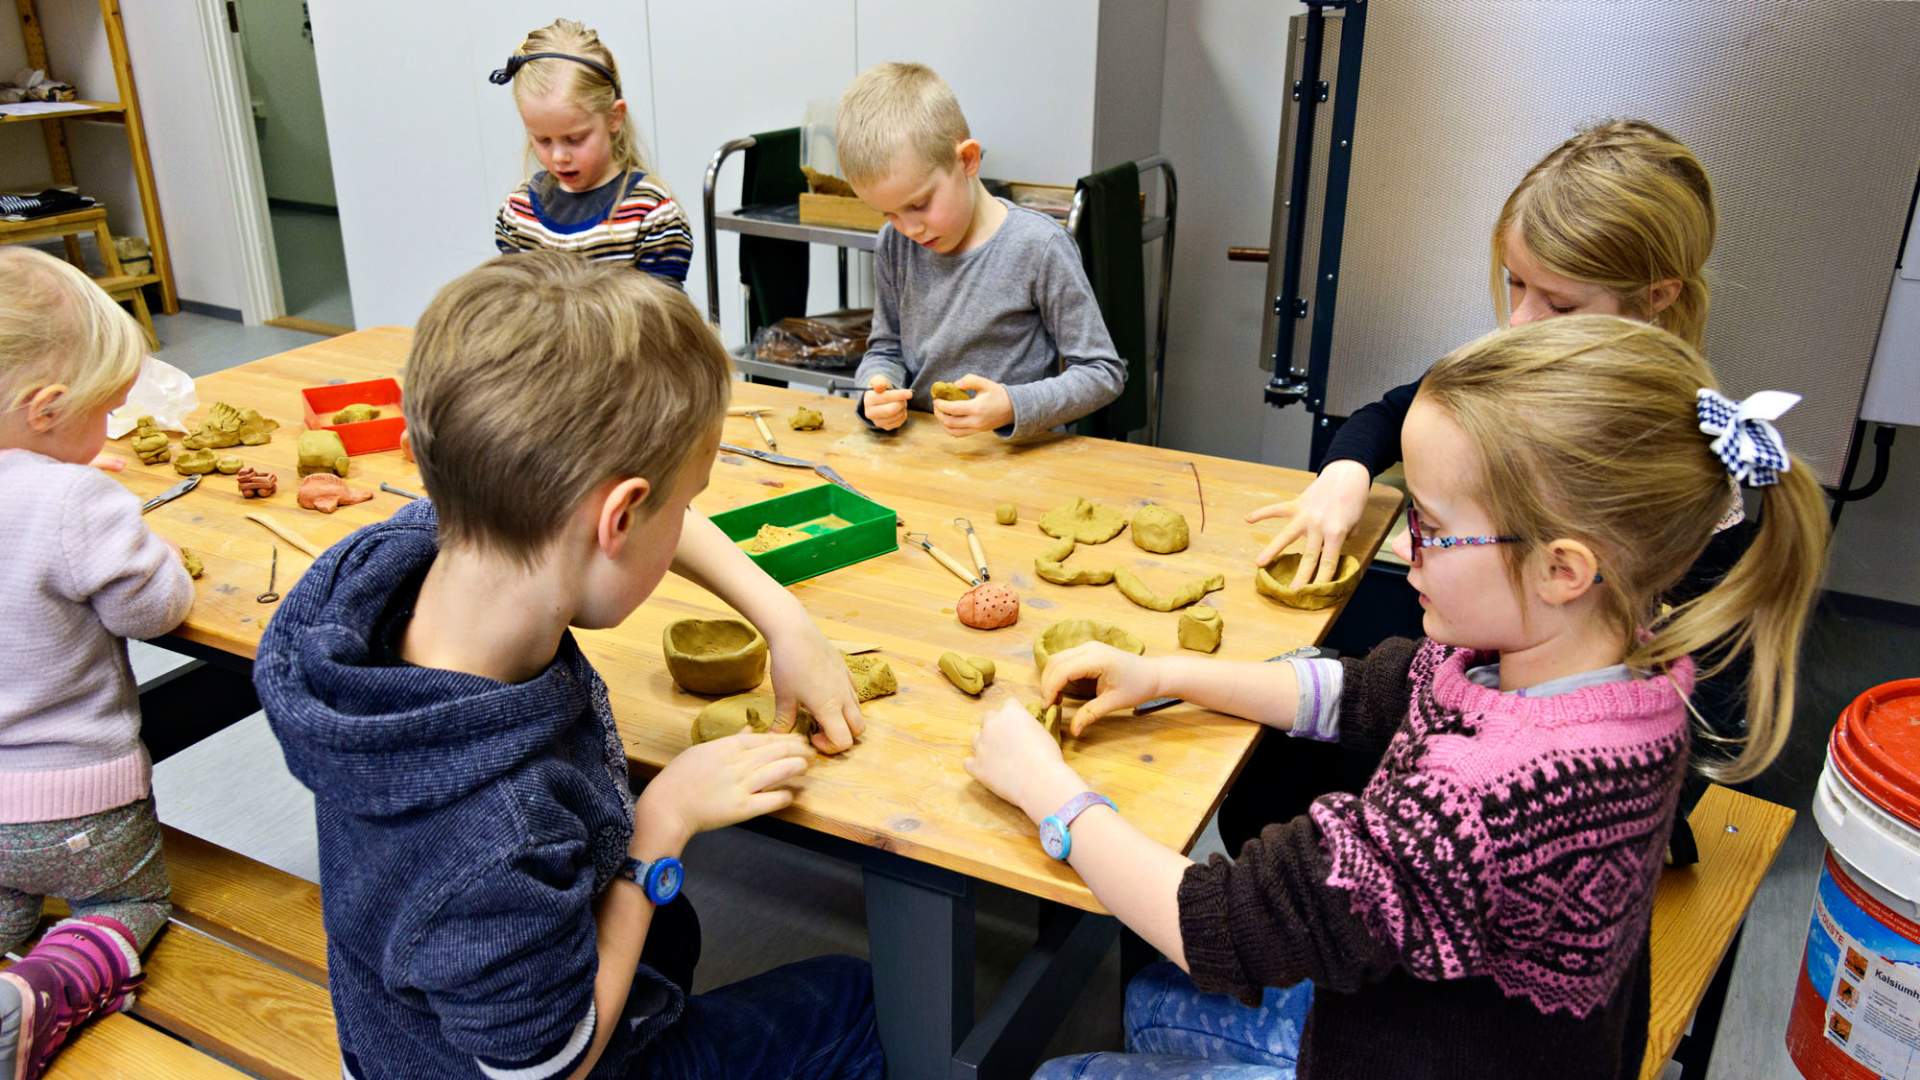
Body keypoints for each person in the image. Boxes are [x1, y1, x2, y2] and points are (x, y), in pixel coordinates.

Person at [970, 316, 1827, 1079]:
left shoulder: (1478, 801)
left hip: (1421, 1051)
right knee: (1155, 1002)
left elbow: (1221, 924)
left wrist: (1050, 793)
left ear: (1563, 568)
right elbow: (1364, 691)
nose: (1404, 546)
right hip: (1470, 1030)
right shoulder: (1616, 670)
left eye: (1429, 522)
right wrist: (1169, 674)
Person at [253, 253, 880, 1079]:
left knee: (676, 929)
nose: (685, 518)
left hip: (409, 1025)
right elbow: (556, 1064)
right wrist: (661, 824)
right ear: (617, 516)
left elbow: (623, 504)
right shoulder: (498, 835)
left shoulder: (408, 552)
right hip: (540, 1062)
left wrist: (783, 617)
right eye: (686, 500)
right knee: (859, 1003)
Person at [1223, 119, 1727, 853]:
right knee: (1268, 768)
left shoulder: (1672, 466)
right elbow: (1386, 415)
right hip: (1468, 674)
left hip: (1533, 753)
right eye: (1515, 284)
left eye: (1556, 305)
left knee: (1292, 799)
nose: (1520, 320)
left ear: (1657, 296)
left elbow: (1677, 740)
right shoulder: (1527, 366)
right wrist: (1345, 474)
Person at [0, 248, 195, 1079]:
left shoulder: (55, 486)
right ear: (45, 410)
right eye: (104, 415)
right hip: (83, 805)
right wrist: (110, 513)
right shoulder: (79, 502)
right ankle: (46, 989)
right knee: (130, 901)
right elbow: (154, 608)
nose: (108, 433)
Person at [839, 62, 1125, 438]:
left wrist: (1011, 405)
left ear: (968, 160)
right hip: (923, 457)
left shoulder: (1038, 247)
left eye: (919, 204)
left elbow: (1102, 372)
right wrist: (876, 390)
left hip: (1014, 461)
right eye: (889, 213)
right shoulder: (894, 243)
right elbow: (885, 349)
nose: (910, 228)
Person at [491, 19, 693, 286]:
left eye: (575, 139)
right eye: (542, 140)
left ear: (614, 117)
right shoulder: (518, 213)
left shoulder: (651, 213)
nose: (559, 156)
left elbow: (662, 320)